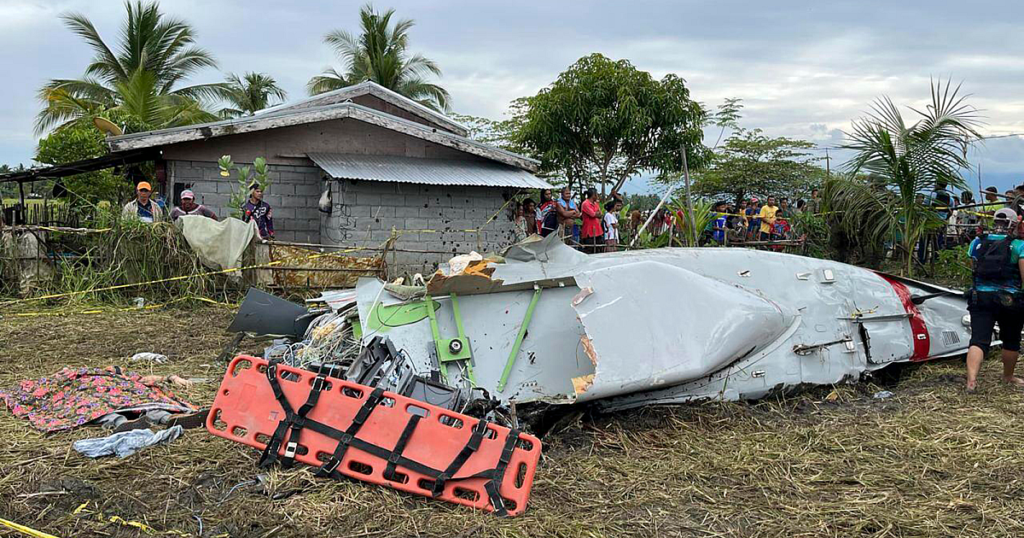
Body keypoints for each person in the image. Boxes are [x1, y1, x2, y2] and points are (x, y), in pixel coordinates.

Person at [964, 208, 1024, 391]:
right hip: (1010, 300)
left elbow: (973, 268)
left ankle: (971, 381)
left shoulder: (977, 242)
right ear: (1014, 223)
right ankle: (1008, 377)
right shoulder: (1018, 245)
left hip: (980, 297)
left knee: (978, 340)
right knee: (1011, 340)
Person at [580, 188, 603, 254]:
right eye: (597, 194)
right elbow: (593, 214)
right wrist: (596, 214)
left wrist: (596, 214)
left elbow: (600, 214)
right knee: (589, 250)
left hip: (598, 231)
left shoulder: (596, 204)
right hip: (589, 231)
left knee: (599, 250)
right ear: (593, 195)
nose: (598, 196)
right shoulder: (585, 204)